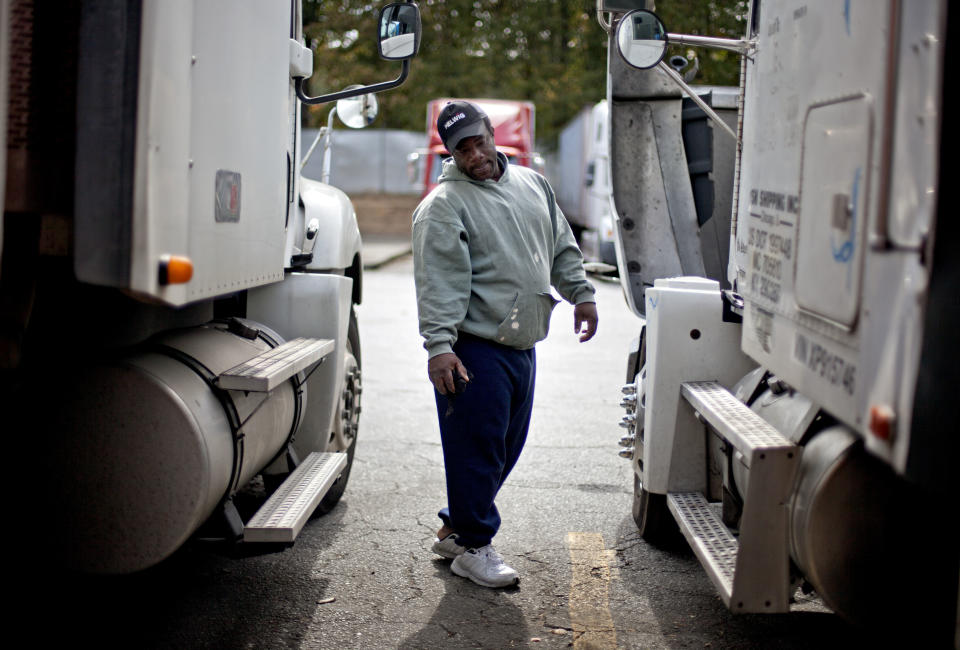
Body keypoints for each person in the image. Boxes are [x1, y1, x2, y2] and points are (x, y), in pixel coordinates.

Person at [412, 100, 599, 588]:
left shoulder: (532, 183)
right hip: (474, 347)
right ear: (449, 153)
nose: (474, 155)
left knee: (502, 450)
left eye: (478, 142)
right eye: (461, 150)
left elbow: (561, 244)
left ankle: (457, 526)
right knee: (477, 448)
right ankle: (474, 546)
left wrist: (581, 294)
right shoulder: (444, 206)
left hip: (522, 344)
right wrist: (439, 347)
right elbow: (438, 282)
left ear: (492, 134)